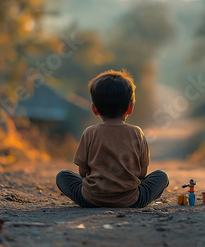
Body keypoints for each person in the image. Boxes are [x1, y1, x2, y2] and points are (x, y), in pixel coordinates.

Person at [55, 69, 169, 208]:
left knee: (62, 176)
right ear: (130, 108)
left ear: (94, 109)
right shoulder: (137, 133)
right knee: (162, 176)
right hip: (131, 200)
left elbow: (82, 172)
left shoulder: (90, 132)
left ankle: (92, 198)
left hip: (91, 199)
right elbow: (142, 173)